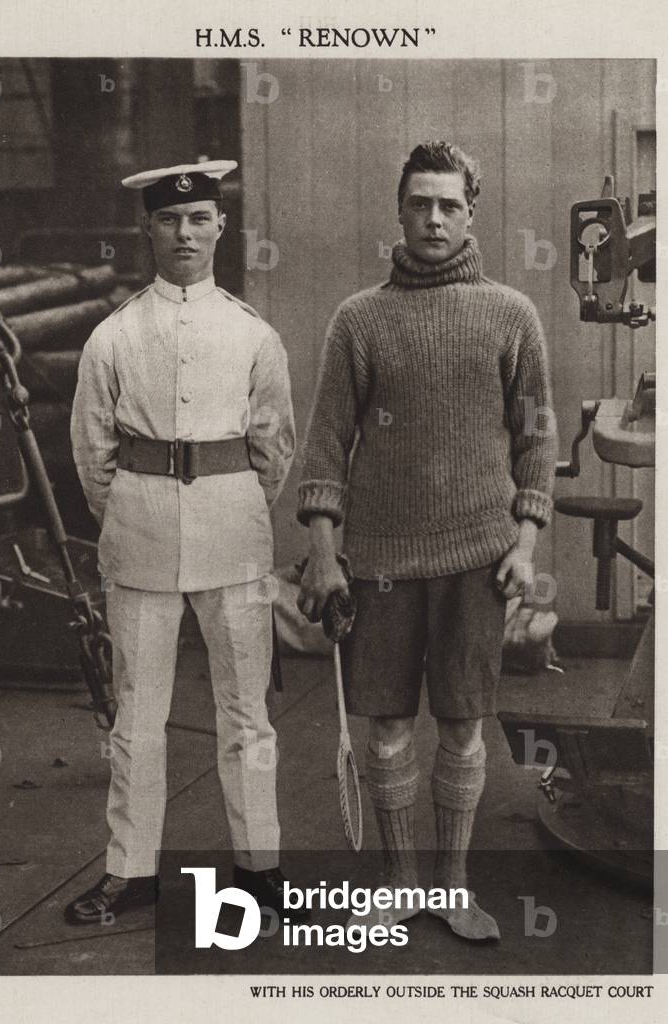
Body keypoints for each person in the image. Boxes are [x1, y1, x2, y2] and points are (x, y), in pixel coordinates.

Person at [297, 141, 557, 941]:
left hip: (478, 561)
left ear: (471, 211)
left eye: (448, 204)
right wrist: (320, 545)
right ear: (400, 211)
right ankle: (401, 884)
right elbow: (327, 442)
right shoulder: (359, 318)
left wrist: (525, 542)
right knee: (385, 728)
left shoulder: (511, 313)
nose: (434, 218)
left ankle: (453, 887)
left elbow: (536, 439)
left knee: (464, 726)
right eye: (420, 203)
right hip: (376, 563)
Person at [67, 161, 304, 925]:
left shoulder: (252, 334)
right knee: (137, 714)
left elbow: (274, 447)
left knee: (246, 714)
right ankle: (131, 875)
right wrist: (138, 508)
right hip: (138, 536)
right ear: (148, 227)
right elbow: (92, 452)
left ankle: (260, 868)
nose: (184, 234)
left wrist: (228, 505)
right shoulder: (113, 336)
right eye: (170, 221)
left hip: (234, 535)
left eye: (199, 218)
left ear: (220, 227)